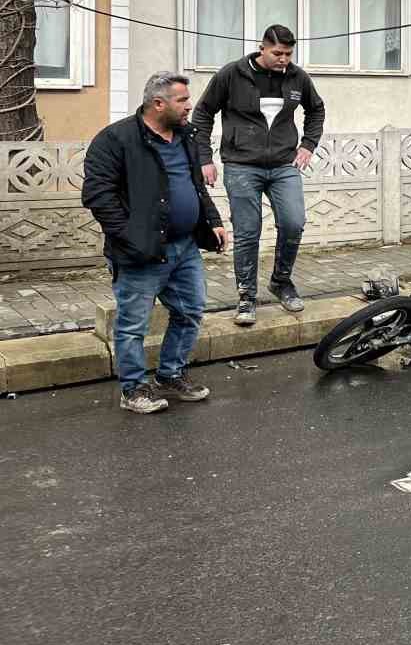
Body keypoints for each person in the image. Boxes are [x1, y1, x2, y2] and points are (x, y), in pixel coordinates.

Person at [81, 72, 228, 414]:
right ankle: (132, 389)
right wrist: (131, 239)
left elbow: (195, 185)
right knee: (133, 324)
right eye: (182, 100)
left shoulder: (186, 135)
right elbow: (98, 196)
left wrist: (214, 221)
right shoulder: (115, 139)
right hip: (141, 252)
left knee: (190, 311)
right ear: (158, 103)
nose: (189, 106)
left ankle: (169, 374)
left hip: (185, 247)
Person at [191, 24, 324, 326]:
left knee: (294, 222)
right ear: (262, 48)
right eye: (277, 53)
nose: (283, 59)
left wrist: (308, 144)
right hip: (241, 164)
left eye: (288, 54)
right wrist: (204, 158)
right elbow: (203, 113)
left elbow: (316, 109)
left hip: (283, 165)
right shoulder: (232, 74)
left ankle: (281, 281)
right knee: (248, 231)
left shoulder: (297, 77)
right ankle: (246, 296)